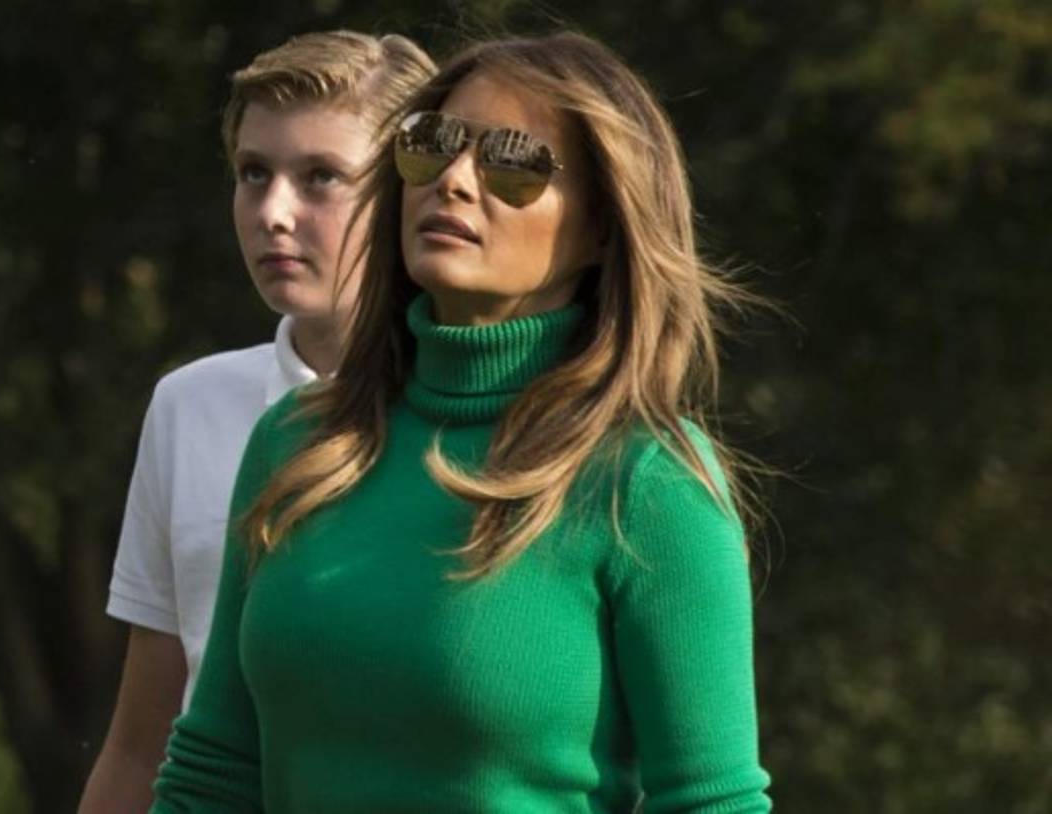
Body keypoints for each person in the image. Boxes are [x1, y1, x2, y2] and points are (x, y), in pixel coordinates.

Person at [152, 30, 772, 813]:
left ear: (604, 224)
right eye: (431, 143)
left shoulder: (646, 483)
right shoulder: (295, 444)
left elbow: (713, 803)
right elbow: (213, 769)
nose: (452, 179)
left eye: (512, 160)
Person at [77, 30, 435, 813]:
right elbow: (142, 744)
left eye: (321, 178)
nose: (274, 212)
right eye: (253, 174)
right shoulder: (188, 406)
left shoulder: (516, 417)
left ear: (416, 189)